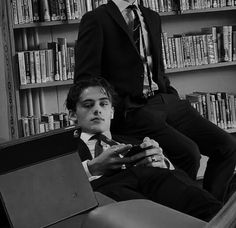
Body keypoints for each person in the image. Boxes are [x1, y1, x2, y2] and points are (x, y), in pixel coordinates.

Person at [74, 0, 236, 202]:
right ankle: (181, 209)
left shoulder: (152, 17)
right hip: (131, 109)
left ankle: (212, 213)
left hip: (164, 99)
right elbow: (85, 79)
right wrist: (114, 106)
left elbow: (156, 66)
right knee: (189, 154)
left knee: (227, 146)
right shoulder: (96, 19)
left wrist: (168, 92)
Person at [66, 76, 222, 222]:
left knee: (174, 183)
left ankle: (223, 218)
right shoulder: (64, 151)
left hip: (147, 188)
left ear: (112, 112)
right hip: (101, 195)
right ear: (72, 115)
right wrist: (93, 168)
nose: (97, 110)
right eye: (88, 105)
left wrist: (163, 164)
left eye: (103, 103)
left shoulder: (135, 143)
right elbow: (55, 188)